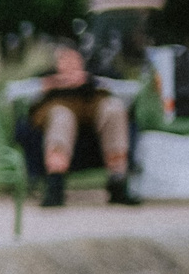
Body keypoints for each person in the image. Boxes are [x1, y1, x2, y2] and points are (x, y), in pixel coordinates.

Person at [28, 42, 137, 207]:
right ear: (57, 63)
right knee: (61, 117)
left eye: (74, 59)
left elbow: (130, 89)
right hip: (60, 109)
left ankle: (118, 181)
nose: (70, 64)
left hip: (93, 109)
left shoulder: (96, 75)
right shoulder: (46, 77)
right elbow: (14, 92)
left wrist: (90, 80)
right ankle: (55, 184)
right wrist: (52, 83)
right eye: (65, 60)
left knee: (114, 108)